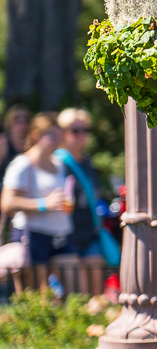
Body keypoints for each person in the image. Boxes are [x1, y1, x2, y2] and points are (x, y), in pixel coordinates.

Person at [1, 112, 77, 291]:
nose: (57, 140)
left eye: (58, 135)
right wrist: (43, 204)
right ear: (36, 135)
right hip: (33, 236)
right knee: (36, 297)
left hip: (61, 234)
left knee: (74, 293)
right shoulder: (22, 164)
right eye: (51, 135)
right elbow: (7, 203)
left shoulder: (58, 163)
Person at [55, 108, 111, 295]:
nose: (81, 135)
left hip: (89, 232)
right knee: (78, 292)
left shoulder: (87, 162)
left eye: (84, 130)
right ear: (63, 133)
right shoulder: (57, 162)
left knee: (96, 290)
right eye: (75, 130)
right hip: (67, 235)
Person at [0, 104, 30, 180]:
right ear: (9, 122)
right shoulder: (3, 142)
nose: (22, 124)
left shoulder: (32, 143)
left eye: (26, 120)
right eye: (17, 120)